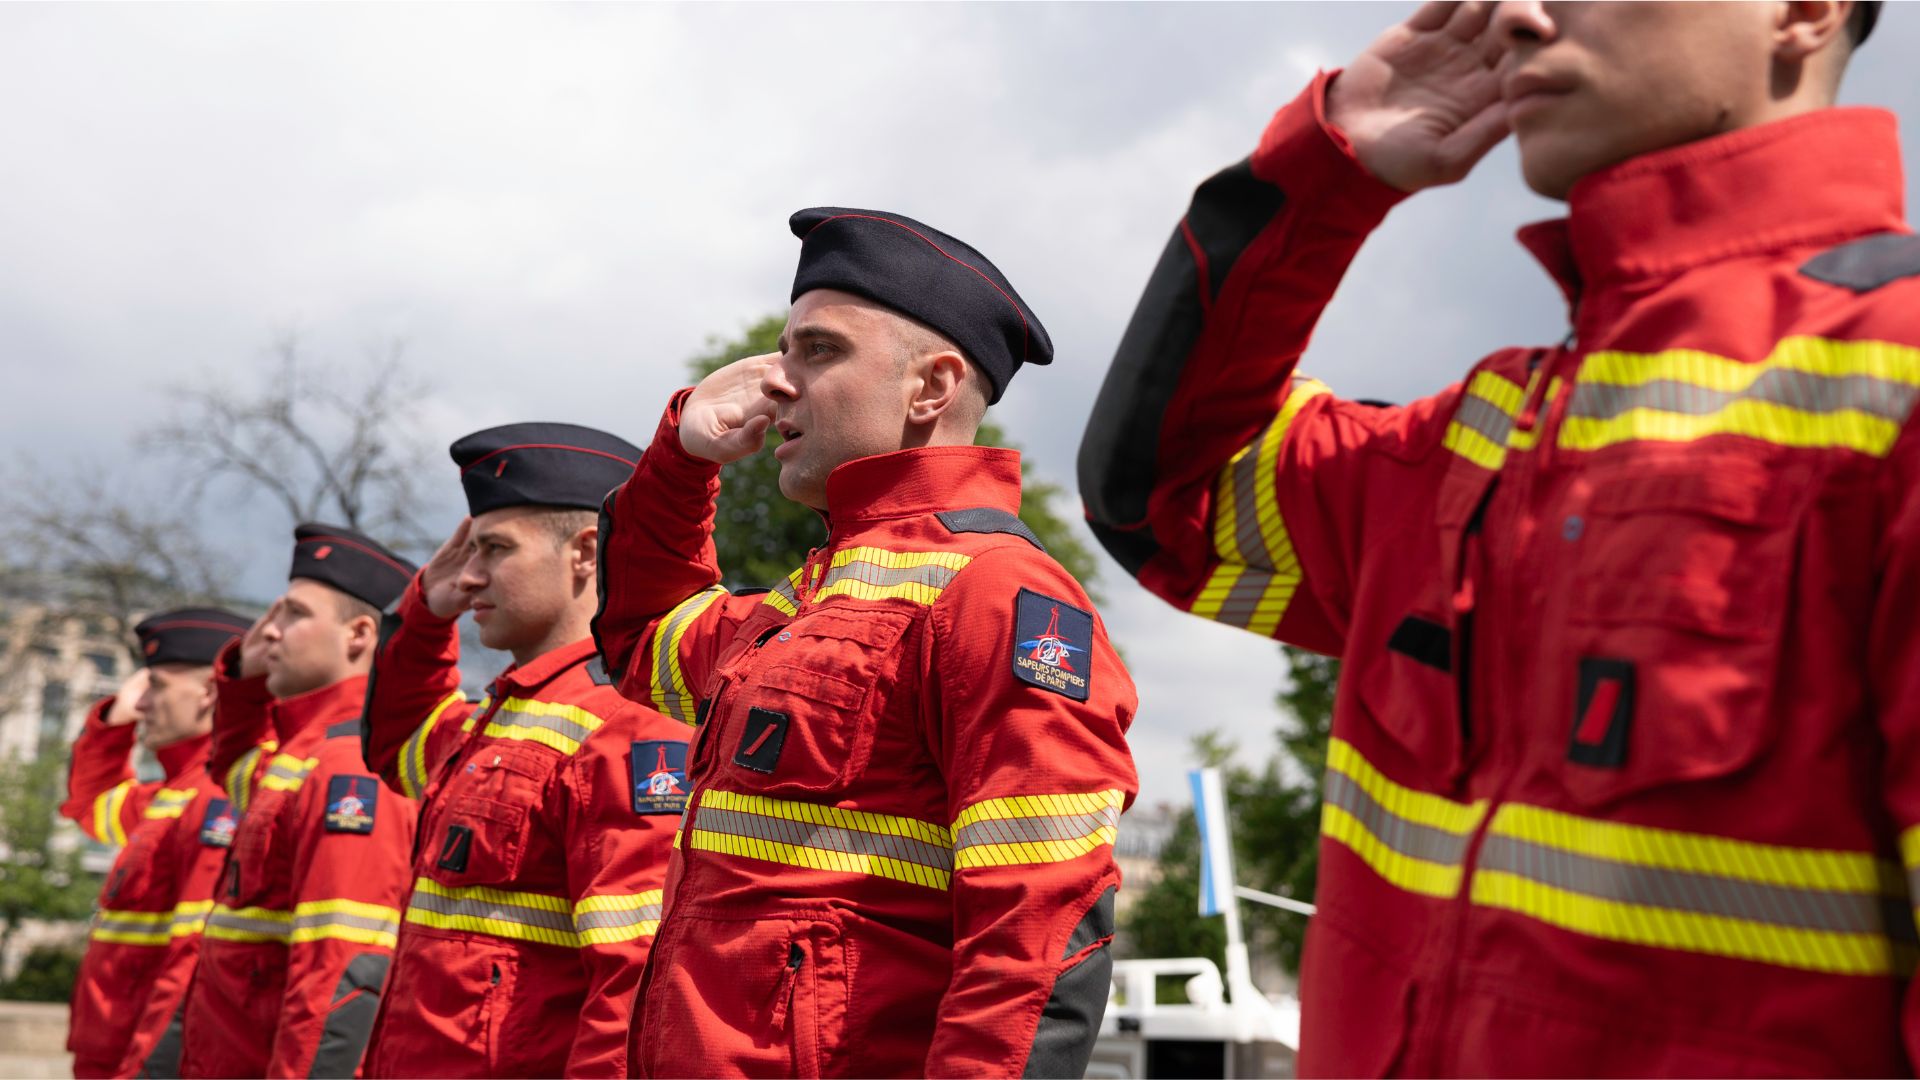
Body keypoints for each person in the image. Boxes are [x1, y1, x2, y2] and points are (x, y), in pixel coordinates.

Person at [1078, 1, 1914, 1074]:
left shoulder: (1896, 383)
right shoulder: (1483, 434)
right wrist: (1332, 168)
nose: (1517, 13)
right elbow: (1167, 500)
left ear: (1803, 12)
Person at [595, 207, 1139, 1078]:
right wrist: (682, 457)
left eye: (819, 351)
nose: (778, 382)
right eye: (785, 352)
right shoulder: (802, 600)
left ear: (930, 388)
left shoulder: (1000, 590)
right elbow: (640, 641)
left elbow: (1038, 933)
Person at [358, 423, 687, 1077]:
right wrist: (423, 613)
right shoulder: (501, 713)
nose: (469, 576)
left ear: (586, 552)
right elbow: (395, 751)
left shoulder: (633, 720)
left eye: (496, 549)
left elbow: (630, 981)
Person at [179, 525, 419, 1078]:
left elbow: (338, 974)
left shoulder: (352, 761)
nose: (269, 635)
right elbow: (231, 769)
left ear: (359, 635)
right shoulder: (298, 749)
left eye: (293, 615)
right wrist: (243, 677)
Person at [61, 609, 250, 1079]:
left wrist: (145, 1069)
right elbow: (91, 806)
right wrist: (113, 722)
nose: (142, 704)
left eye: (158, 688)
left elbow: (189, 963)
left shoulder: (217, 795)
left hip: (140, 1061)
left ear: (209, 692)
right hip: (111, 1054)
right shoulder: (168, 793)